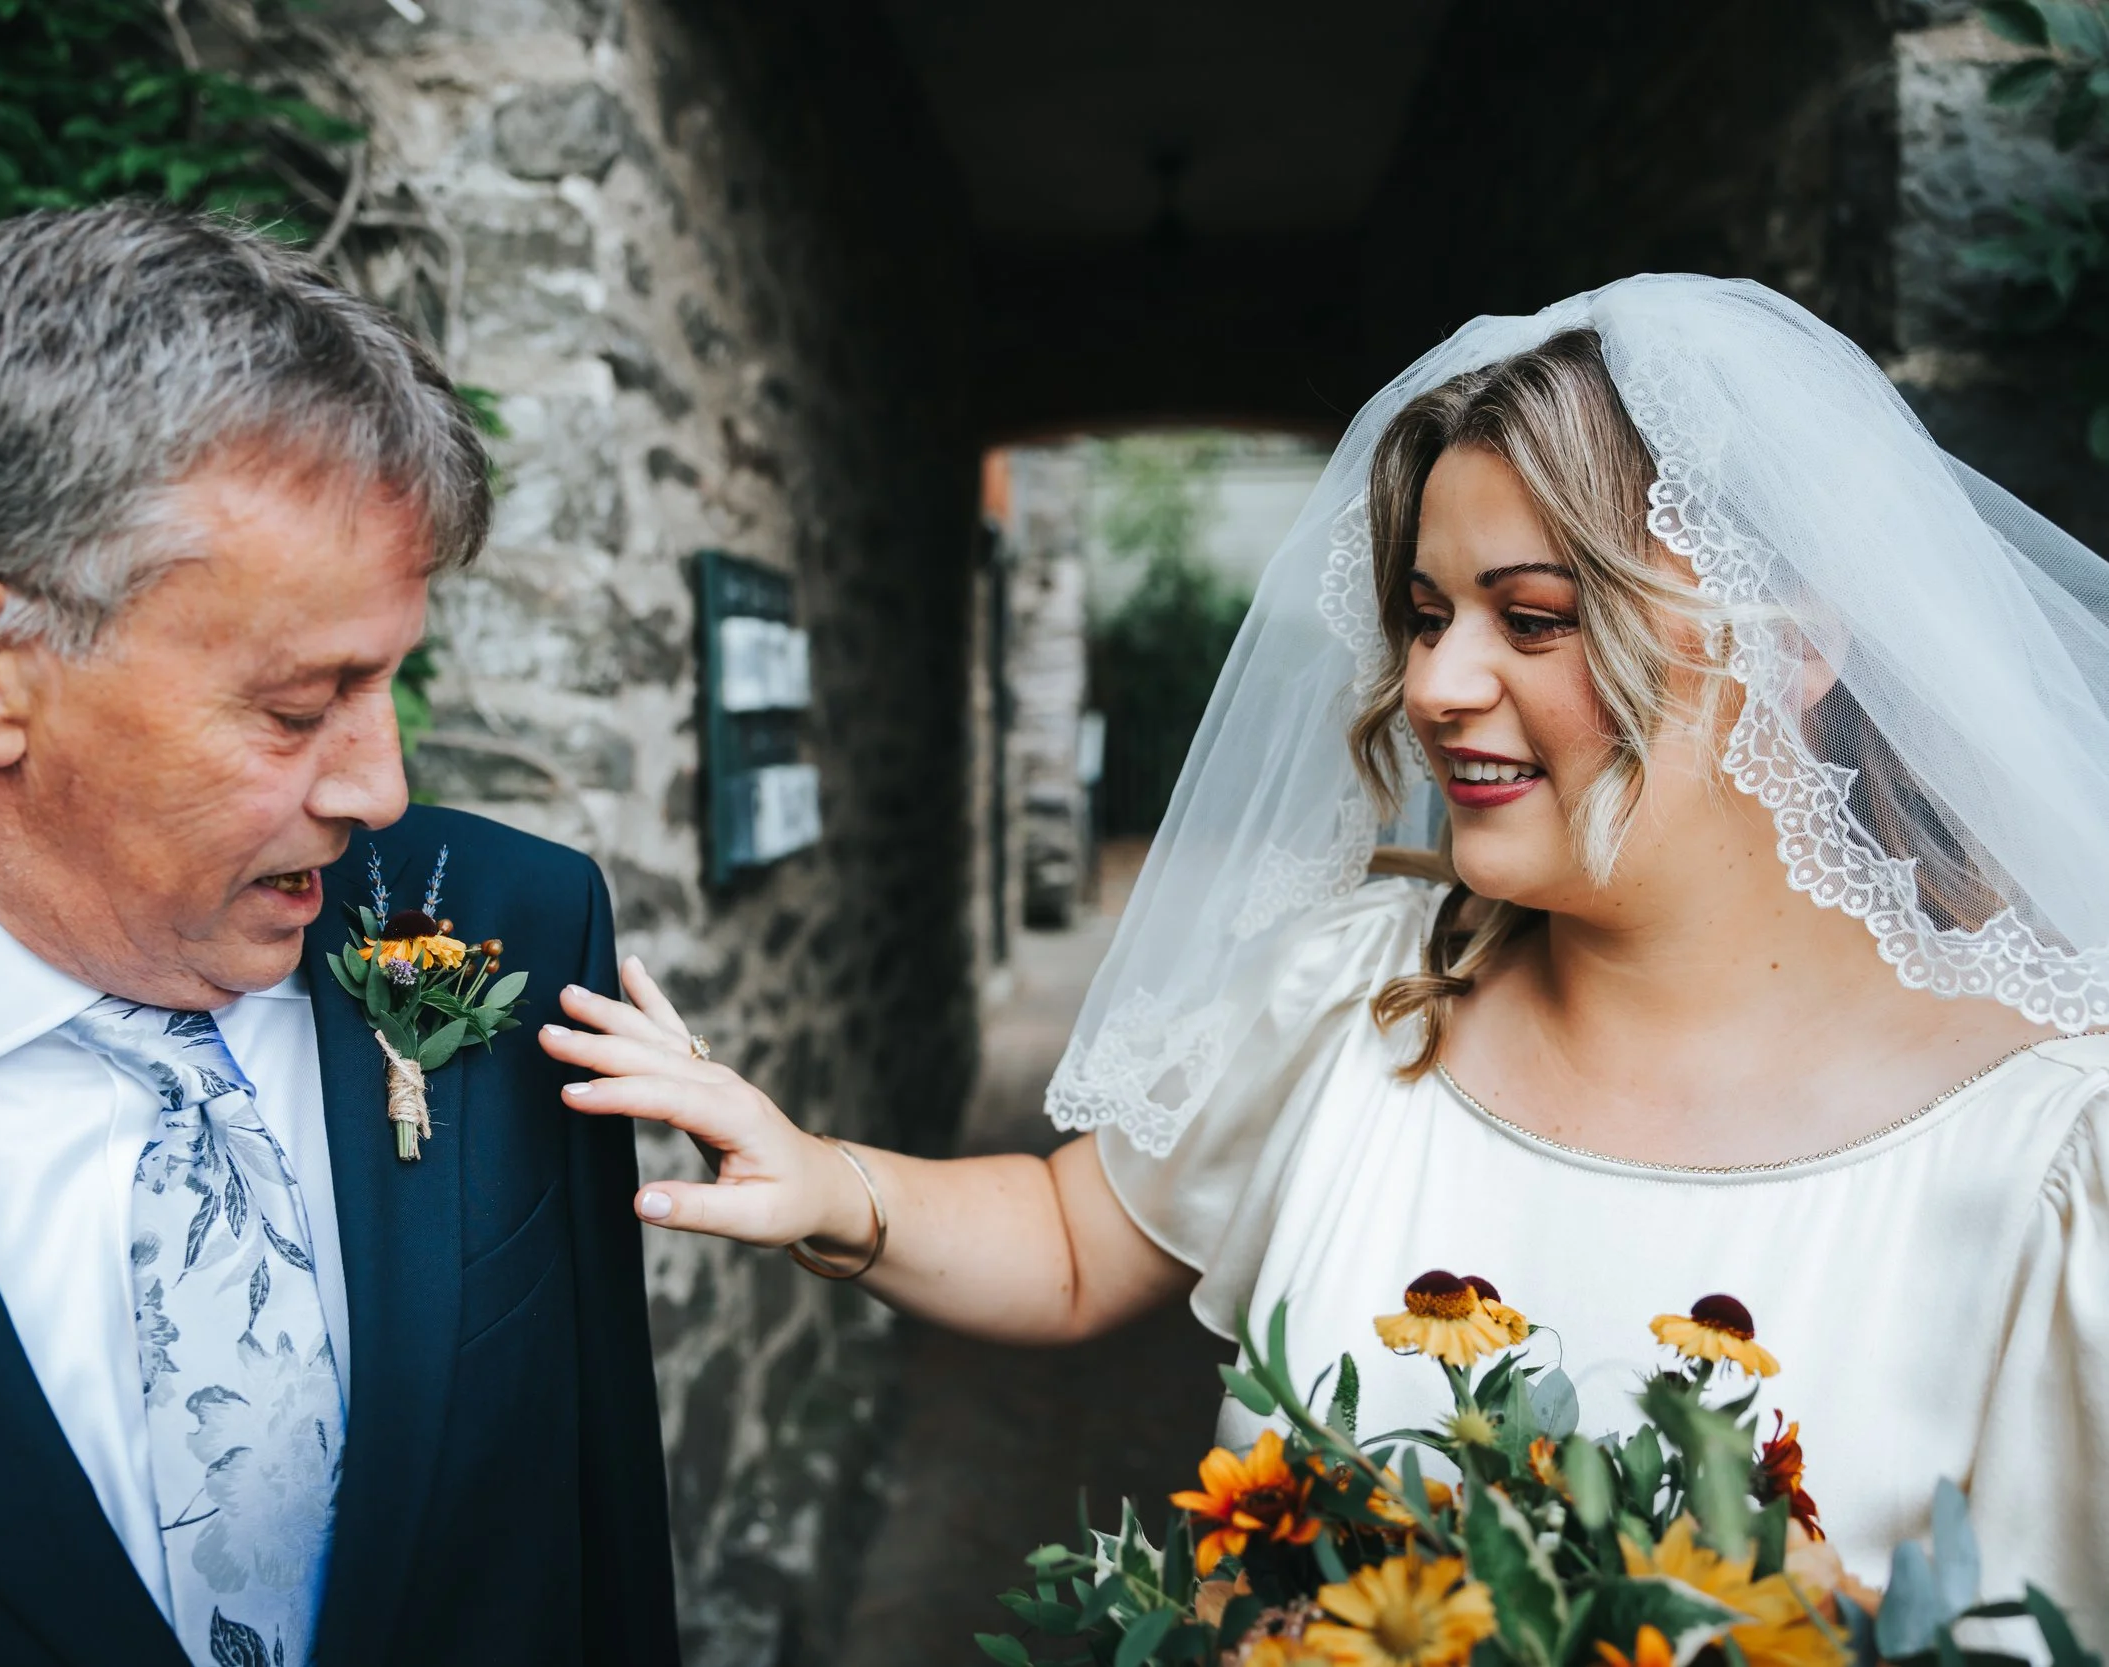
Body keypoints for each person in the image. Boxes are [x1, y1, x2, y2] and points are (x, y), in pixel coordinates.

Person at [544, 276, 2109, 1629]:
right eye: (1427, 614)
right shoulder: (1363, 994)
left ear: (1795, 642)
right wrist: (832, 1181)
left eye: (1536, 616)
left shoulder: (2050, 1160)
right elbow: (1082, 1238)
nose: (1437, 680)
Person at [0, 204, 678, 1666]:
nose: (383, 786)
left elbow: (594, 1543)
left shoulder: (513, 924)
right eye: (299, 708)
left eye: (391, 685)